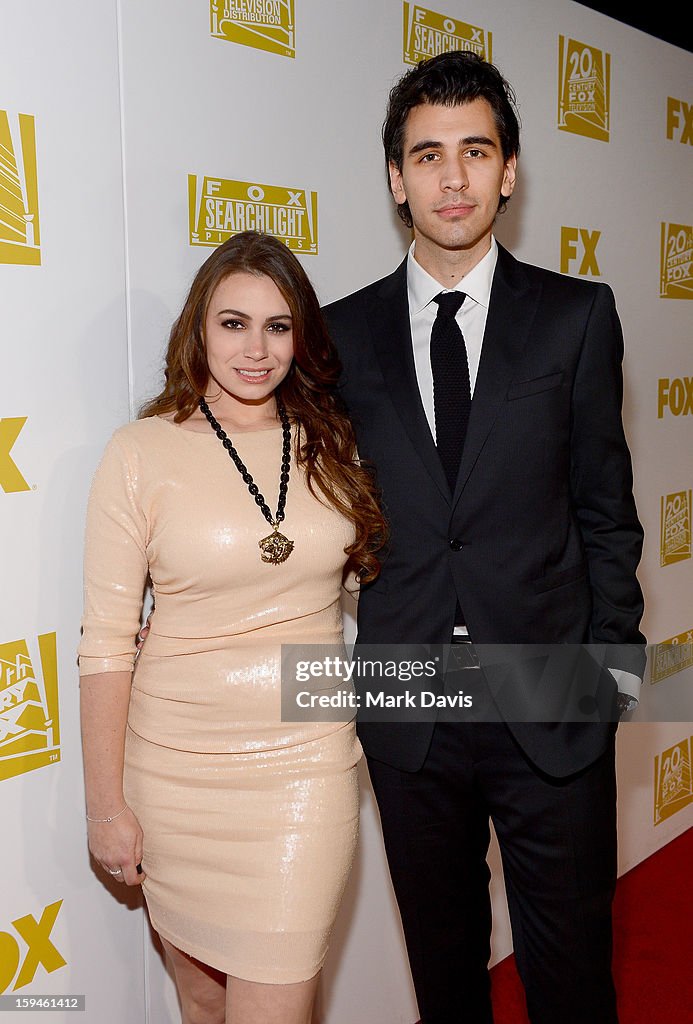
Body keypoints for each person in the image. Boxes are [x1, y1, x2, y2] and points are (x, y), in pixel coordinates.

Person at [323, 51, 646, 1024]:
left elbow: (607, 511)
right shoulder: (338, 336)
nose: (451, 177)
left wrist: (611, 676)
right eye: (427, 155)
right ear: (396, 178)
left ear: (509, 169)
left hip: (550, 695)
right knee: (445, 972)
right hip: (408, 704)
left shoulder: (576, 317)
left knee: (572, 973)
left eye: (475, 150)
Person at [78, 230, 386, 1024]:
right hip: (173, 772)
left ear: (302, 337)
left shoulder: (331, 443)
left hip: (302, 768)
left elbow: (369, 581)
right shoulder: (139, 452)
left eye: (278, 326)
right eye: (233, 323)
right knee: (199, 999)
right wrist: (106, 807)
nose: (256, 349)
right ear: (198, 328)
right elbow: (107, 643)